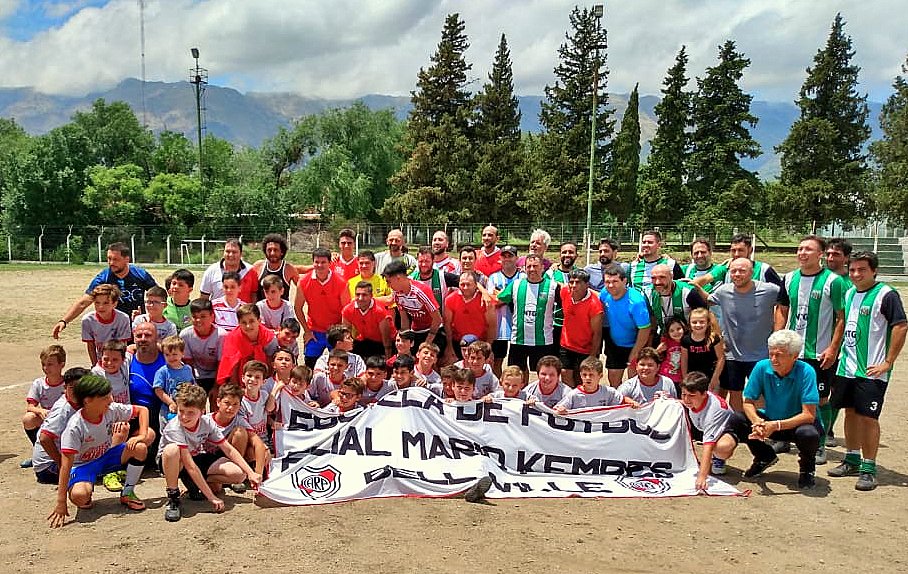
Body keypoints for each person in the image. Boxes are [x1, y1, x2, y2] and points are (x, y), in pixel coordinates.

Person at [829, 251, 907, 491]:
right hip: (848, 366)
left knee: (868, 417)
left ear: (874, 271)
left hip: (871, 370)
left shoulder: (886, 294)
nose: (855, 274)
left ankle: (869, 467)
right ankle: (851, 458)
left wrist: (888, 361)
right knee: (850, 412)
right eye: (852, 270)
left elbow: (901, 326)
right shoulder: (850, 293)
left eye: (861, 270)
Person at [775, 235, 847, 463]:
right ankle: (784, 437)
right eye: (799, 248)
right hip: (793, 351)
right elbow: (782, 309)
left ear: (821, 255)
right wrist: (778, 338)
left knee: (820, 399)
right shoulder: (788, 278)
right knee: (787, 394)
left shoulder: (833, 281)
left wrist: (833, 348)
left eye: (808, 249)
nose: (802, 253)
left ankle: (819, 444)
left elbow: (841, 317)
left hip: (819, 353)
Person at [48, 375, 153, 528]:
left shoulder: (110, 410)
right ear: (87, 401)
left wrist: (142, 434)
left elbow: (142, 410)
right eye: (104, 397)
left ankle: (127, 493)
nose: (110, 400)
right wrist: (61, 502)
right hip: (83, 466)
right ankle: (85, 489)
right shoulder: (74, 428)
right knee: (80, 496)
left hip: (105, 456)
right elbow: (65, 466)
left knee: (140, 447)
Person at [725, 330, 823, 490]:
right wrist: (757, 422)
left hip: (797, 423)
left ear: (795, 356)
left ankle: (807, 469)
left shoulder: (806, 372)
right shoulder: (762, 367)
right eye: (771, 354)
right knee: (738, 419)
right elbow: (748, 402)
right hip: (769, 419)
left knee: (809, 434)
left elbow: (809, 415)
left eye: (779, 355)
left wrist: (775, 425)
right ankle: (764, 456)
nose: (773, 359)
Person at [158, 383, 261, 522]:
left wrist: (250, 473)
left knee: (238, 474)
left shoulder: (206, 423)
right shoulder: (174, 428)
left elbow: (228, 449)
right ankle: (173, 498)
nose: (184, 417)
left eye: (190, 412)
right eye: (181, 411)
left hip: (195, 457)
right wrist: (211, 497)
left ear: (201, 412)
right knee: (172, 450)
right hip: (176, 463)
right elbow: (190, 466)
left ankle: (194, 484)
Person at [706, 258, 780, 412]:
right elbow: (707, 303)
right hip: (733, 354)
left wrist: (778, 332)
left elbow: (787, 303)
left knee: (759, 394)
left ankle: (760, 426)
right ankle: (740, 425)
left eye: (742, 271)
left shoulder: (770, 290)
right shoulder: (723, 291)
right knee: (735, 392)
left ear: (752, 273)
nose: (737, 274)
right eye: (733, 271)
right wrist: (718, 334)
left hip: (761, 354)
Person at [52, 242, 157, 339]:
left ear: (127, 259)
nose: (111, 263)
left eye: (115, 259)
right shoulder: (103, 278)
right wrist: (64, 321)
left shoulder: (140, 275)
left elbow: (158, 297)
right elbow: (83, 302)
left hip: (137, 329)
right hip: (113, 331)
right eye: (109, 259)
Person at [495, 254, 559, 382]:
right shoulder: (516, 285)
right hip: (519, 340)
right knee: (517, 375)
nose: (532, 269)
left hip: (543, 340)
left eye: (535, 266)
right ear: (524, 268)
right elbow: (498, 299)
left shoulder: (553, 286)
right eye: (528, 266)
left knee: (545, 374)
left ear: (542, 268)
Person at [678, 371, 738, 489]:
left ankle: (718, 458)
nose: (686, 399)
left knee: (721, 447)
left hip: (727, 431)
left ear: (704, 394)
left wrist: (702, 476)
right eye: (683, 394)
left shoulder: (713, 411)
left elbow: (708, 447)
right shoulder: (694, 400)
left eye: (691, 396)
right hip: (702, 426)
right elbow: (684, 402)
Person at [294, 247, 351, 368]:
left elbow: (347, 310)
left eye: (323, 262)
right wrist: (307, 331)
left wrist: (342, 334)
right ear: (313, 263)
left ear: (330, 263)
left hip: (335, 331)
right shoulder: (304, 282)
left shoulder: (341, 282)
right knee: (310, 364)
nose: (319, 265)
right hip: (314, 331)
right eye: (316, 262)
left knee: (338, 366)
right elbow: (297, 308)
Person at [32, 367, 89, 485]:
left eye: (81, 388)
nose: (76, 391)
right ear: (65, 388)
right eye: (72, 387)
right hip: (47, 467)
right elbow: (44, 438)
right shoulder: (63, 409)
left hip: (58, 458)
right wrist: (62, 465)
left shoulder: (79, 403)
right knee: (92, 473)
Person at [599, 264, 652, 387]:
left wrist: (635, 351)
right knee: (613, 379)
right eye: (607, 282)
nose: (611, 285)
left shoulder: (636, 301)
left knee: (634, 380)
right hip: (614, 343)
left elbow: (645, 329)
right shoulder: (604, 293)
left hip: (635, 343)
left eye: (615, 281)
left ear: (624, 281)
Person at [21, 345, 67, 469]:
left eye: (50, 364)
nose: (46, 368)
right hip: (48, 420)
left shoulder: (67, 383)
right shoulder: (39, 383)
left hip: (65, 421)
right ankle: (39, 452)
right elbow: (30, 406)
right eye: (43, 364)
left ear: (62, 364)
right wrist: (40, 410)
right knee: (28, 419)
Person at [384, 260, 445, 351]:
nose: (388, 285)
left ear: (398, 278)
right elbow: (404, 319)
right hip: (415, 331)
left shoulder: (420, 291)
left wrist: (427, 342)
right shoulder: (397, 294)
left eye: (389, 281)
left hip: (434, 331)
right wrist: (404, 339)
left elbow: (438, 319)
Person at [128, 322, 167, 462]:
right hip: (134, 415)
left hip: (161, 413)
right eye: (139, 335)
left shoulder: (167, 358)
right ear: (133, 338)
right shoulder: (127, 360)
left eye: (148, 335)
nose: (143, 338)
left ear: (157, 337)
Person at [558, 268, 603, 387]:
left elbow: (597, 333)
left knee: (582, 379)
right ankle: (570, 400)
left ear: (587, 284)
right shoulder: (564, 292)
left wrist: (592, 357)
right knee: (565, 373)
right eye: (571, 282)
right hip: (566, 344)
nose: (573, 285)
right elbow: (556, 283)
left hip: (585, 349)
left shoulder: (595, 305)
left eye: (577, 282)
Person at [692, 233, 783, 290]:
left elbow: (781, 299)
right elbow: (705, 280)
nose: (736, 254)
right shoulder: (725, 269)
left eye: (740, 250)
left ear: (750, 250)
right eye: (733, 250)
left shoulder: (764, 270)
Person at [216, 304, 278, 386]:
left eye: (251, 321)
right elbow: (232, 366)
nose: (248, 326)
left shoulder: (269, 337)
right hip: (240, 379)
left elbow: (271, 364)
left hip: (264, 378)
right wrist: (237, 388)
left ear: (259, 320)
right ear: (238, 323)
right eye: (243, 323)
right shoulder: (233, 338)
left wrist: (265, 385)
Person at [487, 245, 525, 377]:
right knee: (497, 361)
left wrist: (503, 295)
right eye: (504, 256)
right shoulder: (493, 278)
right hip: (500, 328)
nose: (507, 259)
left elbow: (524, 300)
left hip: (520, 328)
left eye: (511, 256)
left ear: (517, 258)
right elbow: (493, 301)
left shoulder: (523, 277)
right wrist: (512, 297)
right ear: (500, 259)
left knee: (520, 365)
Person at [181, 298, 226, 406]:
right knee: (194, 402)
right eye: (195, 317)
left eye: (203, 316)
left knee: (217, 402)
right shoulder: (185, 335)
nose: (198, 320)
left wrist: (216, 387)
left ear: (212, 316)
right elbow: (188, 363)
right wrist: (194, 385)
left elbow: (222, 364)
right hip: (197, 375)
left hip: (217, 375)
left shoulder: (221, 335)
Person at [444, 271, 496, 362]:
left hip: (480, 343)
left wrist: (489, 347)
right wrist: (449, 347)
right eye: (462, 284)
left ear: (476, 285)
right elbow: (447, 324)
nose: (465, 287)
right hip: (458, 343)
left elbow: (492, 325)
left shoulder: (485, 301)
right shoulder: (450, 299)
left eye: (468, 284)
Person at [554, 357, 638, 414]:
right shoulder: (573, 395)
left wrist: (632, 402)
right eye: (584, 375)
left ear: (600, 376)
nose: (587, 378)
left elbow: (623, 400)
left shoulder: (608, 392)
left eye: (591, 375)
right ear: (580, 375)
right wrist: (561, 410)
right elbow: (557, 409)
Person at [646, 263, 707, 338]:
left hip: (689, 336)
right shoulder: (648, 293)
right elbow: (651, 320)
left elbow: (706, 315)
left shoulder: (687, 292)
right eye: (653, 278)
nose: (657, 282)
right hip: (664, 336)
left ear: (671, 276)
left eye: (662, 277)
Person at [239, 360, 275, 478]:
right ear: (243, 378)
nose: (252, 380)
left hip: (264, 437)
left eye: (257, 377)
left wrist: (275, 390)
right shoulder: (240, 400)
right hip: (249, 442)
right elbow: (246, 430)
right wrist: (262, 448)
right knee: (261, 455)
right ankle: (254, 475)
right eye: (249, 376)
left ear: (263, 381)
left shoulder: (264, 395)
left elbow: (269, 410)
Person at [81, 284, 132, 366]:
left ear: (114, 304)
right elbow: (91, 346)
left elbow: (123, 345)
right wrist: (95, 365)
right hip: (100, 360)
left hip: (118, 360)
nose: (101, 307)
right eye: (97, 303)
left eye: (106, 303)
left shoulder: (123, 319)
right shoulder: (88, 320)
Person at [342, 281, 395, 359]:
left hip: (385, 342)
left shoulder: (379, 311)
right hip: (366, 340)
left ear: (371, 296)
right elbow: (345, 334)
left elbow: (387, 339)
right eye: (357, 295)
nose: (360, 298)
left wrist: (388, 361)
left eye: (364, 295)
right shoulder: (348, 310)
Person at [153, 335, 197, 429]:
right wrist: (170, 403)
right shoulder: (162, 371)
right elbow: (158, 390)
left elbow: (194, 387)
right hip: (169, 411)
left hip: (187, 409)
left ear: (182, 353)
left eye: (174, 354)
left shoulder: (188, 369)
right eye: (167, 355)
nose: (171, 358)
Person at [199, 239, 259, 304]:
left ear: (241, 254)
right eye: (227, 251)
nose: (230, 255)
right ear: (223, 253)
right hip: (218, 313)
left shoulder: (251, 271)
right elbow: (203, 298)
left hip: (243, 313)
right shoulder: (211, 271)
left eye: (234, 252)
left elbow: (254, 296)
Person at [680, 307, 725, 390]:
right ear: (689, 323)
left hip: (711, 377)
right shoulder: (685, 340)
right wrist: (685, 378)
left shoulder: (713, 339)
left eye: (702, 322)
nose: (698, 325)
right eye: (694, 322)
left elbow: (721, 358)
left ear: (708, 323)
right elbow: (684, 359)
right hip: (693, 378)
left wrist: (714, 379)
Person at [411, 246, 460, 318]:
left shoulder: (442, 276)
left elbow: (467, 281)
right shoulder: (411, 279)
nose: (423, 264)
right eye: (421, 261)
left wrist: (483, 291)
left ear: (433, 261)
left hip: (440, 324)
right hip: (418, 325)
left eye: (427, 261)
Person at [253, 233, 299, 301]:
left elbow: (302, 288)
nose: (272, 253)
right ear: (265, 251)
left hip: (282, 311)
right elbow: (250, 290)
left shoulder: (289, 269)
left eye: (275, 250)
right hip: (261, 310)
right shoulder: (258, 266)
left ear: (282, 252)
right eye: (269, 250)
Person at [656, 317, 687, 391]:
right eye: (672, 331)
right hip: (665, 375)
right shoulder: (666, 341)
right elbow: (654, 355)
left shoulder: (687, 342)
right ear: (668, 333)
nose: (676, 332)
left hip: (680, 378)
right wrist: (658, 350)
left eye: (678, 329)